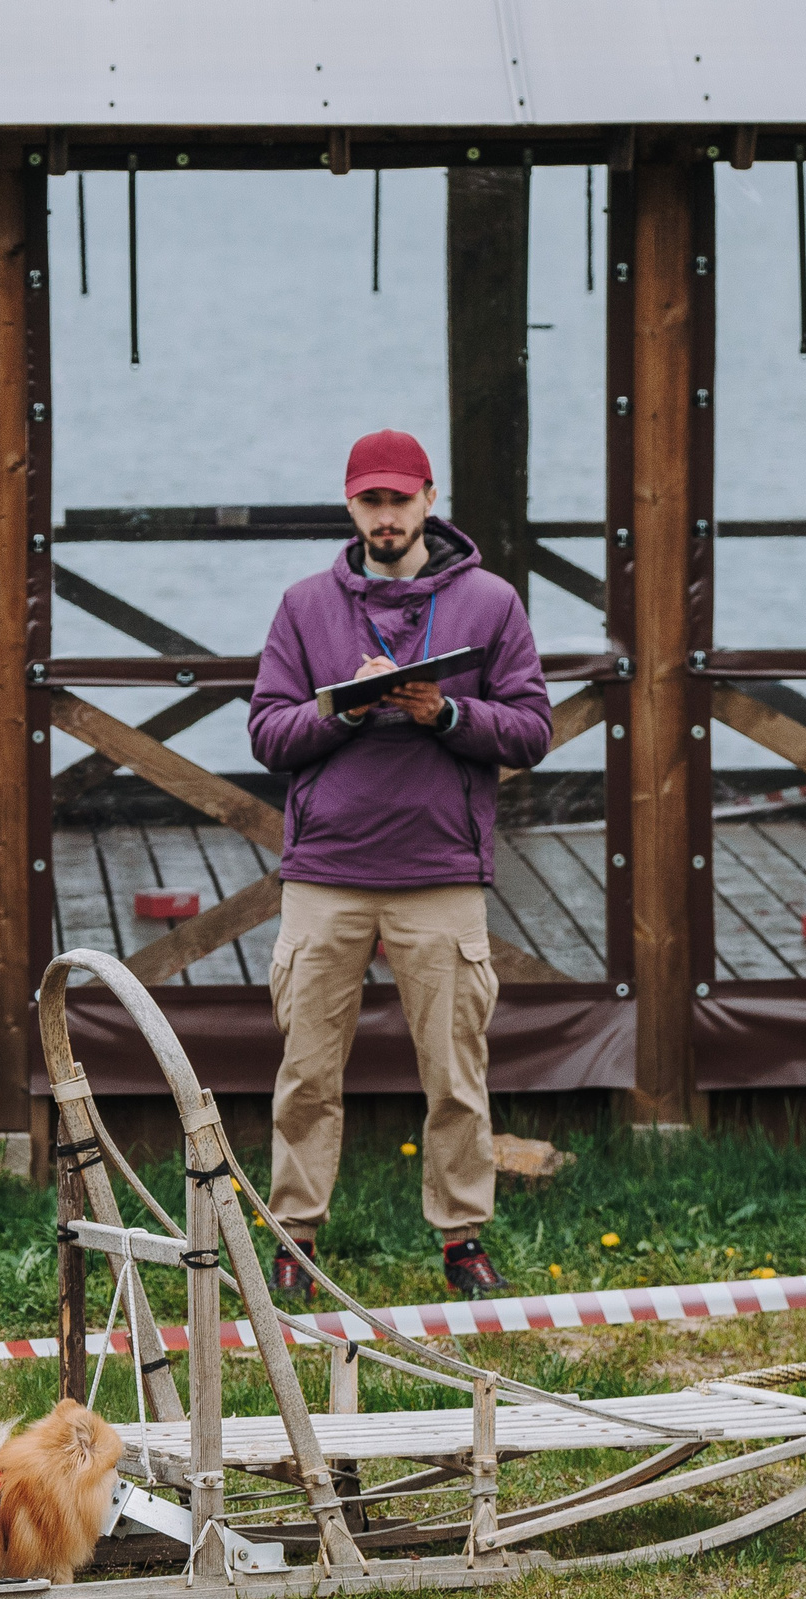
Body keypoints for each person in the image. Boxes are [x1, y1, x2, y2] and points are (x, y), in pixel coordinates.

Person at [248, 430, 553, 1301]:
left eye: (399, 500)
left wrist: (446, 712)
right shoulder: (305, 606)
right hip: (325, 872)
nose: (385, 516)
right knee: (307, 1072)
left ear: (429, 499)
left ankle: (463, 1240)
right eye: (369, 501)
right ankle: (294, 1237)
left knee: (456, 1075)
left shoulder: (492, 602)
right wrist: (343, 710)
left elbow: (532, 729)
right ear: (351, 508)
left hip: (441, 873)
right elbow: (268, 734)